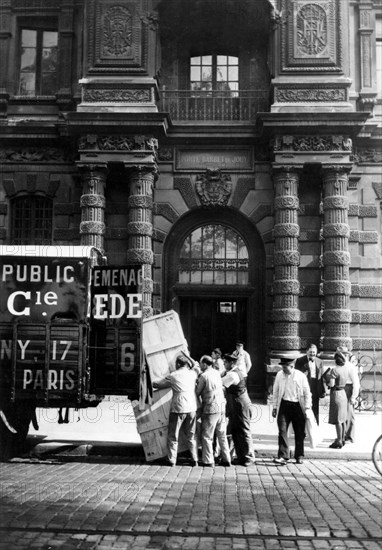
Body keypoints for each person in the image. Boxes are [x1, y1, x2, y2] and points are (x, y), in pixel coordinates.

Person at [152, 354, 199, 466]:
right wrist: (188, 356)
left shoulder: (173, 375)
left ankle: (172, 460)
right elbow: (196, 366)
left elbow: (157, 384)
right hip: (192, 407)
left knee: (173, 436)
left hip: (178, 408)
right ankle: (194, 459)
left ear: (178, 364)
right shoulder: (193, 374)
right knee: (191, 435)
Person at [272, 357, 312, 465]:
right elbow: (275, 392)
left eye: (286, 367)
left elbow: (307, 392)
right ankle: (283, 456)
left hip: (298, 406)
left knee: (299, 432)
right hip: (284, 405)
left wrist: (307, 407)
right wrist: (274, 407)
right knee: (282, 430)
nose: (284, 369)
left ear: (292, 366)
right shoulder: (279, 375)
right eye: (283, 367)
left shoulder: (300, 376)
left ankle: (299, 455)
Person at [196, 355, 231, 467]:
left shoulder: (204, 376)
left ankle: (208, 460)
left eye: (201, 363)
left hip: (211, 407)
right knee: (222, 434)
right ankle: (226, 459)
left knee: (207, 435)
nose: (200, 366)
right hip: (221, 406)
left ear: (205, 364)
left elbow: (197, 392)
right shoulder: (217, 373)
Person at [222, 353, 255, 466]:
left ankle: (249, 457)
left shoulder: (232, 375)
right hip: (235, 404)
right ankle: (241, 457)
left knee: (244, 430)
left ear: (232, 363)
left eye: (225, 362)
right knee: (236, 430)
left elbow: (219, 383)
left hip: (241, 404)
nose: (224, 364)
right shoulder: (233, 372)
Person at [324, 350, 358, 449]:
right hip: (343, 392)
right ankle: (342, 439)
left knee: (337, 419)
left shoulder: (334, 370)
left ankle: (339, 440)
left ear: (335, 360)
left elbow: (332, 384)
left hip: (336, 393)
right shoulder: (346, 369)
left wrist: (327, 380)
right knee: (343, 418)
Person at [295, 344, 325, 424]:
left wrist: (323, 389)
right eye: (311, 352)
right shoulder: (300, 361)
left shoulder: (320, 361)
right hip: (305, 387)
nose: (312, 354)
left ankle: (315, 426)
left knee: (315, 408)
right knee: (303, 408)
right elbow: (296, 375)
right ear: (306, 352)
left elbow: (321, 376)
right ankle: (302, 428)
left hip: (316, 387)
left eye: (314, 352)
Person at [344, 350, 360, 443]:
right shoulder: (339, 365)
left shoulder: (351, 367)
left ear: (347, 356)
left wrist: (353, 397)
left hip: (348, 389)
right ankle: (342, 435)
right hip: (340, 389)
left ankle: (350, 436)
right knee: (341, 414)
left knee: (349, 413)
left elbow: (356, 383)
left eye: (344, 355)